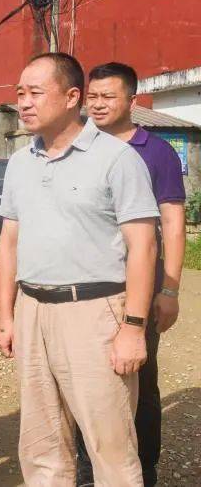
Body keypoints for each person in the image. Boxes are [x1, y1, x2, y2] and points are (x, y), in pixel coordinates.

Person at [0, 53, 159, 485]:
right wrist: (7, 316)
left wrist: (134, 327)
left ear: (72, 97)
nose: (24, 103)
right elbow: (9, 241)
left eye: (35, 92)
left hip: (94, 312)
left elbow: (143, 245)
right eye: (19, 94)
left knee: (110, 446)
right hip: (33, 310)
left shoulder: (117, 159)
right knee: (42, 444)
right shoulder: (19, 162)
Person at [75, 62, 186, 487]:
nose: (99, 104)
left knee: (140, 377)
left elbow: (172, 223)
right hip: (86, 286)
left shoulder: (154, 151)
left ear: (132, 101)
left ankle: (145, 467)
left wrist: (170, 288)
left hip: (138, 286)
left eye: (109, 96)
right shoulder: (75, 144)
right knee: (86, 378)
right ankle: (89, 466)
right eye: (93, 96)